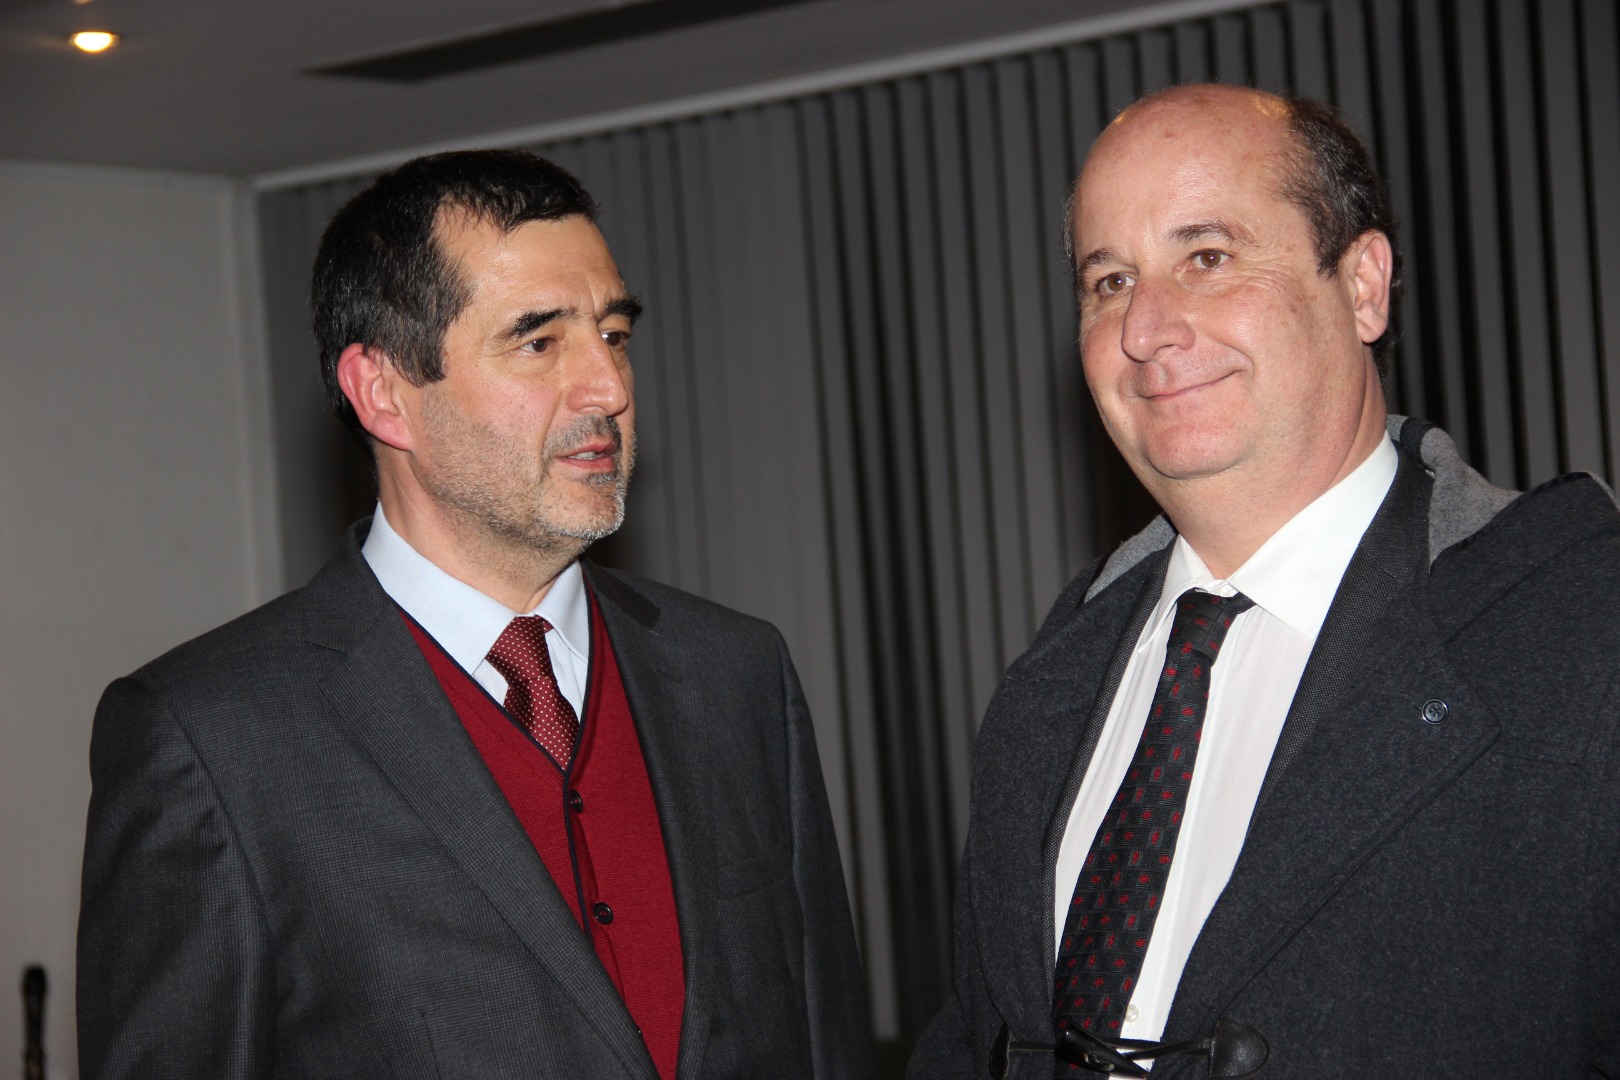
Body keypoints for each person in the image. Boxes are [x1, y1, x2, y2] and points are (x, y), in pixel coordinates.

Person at [78, 149, 874, 1080]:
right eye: (539, 342)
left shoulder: (735, 674)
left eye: (613, 334)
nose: (609, 388)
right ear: (384, 394)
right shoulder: (213, 739)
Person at [909, 84, 1620, 1078]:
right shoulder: (1045, 693)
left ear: (1364, 285)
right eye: (1109, 280)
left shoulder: (1582, 632)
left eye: (1207, 257)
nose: (1146, 328)